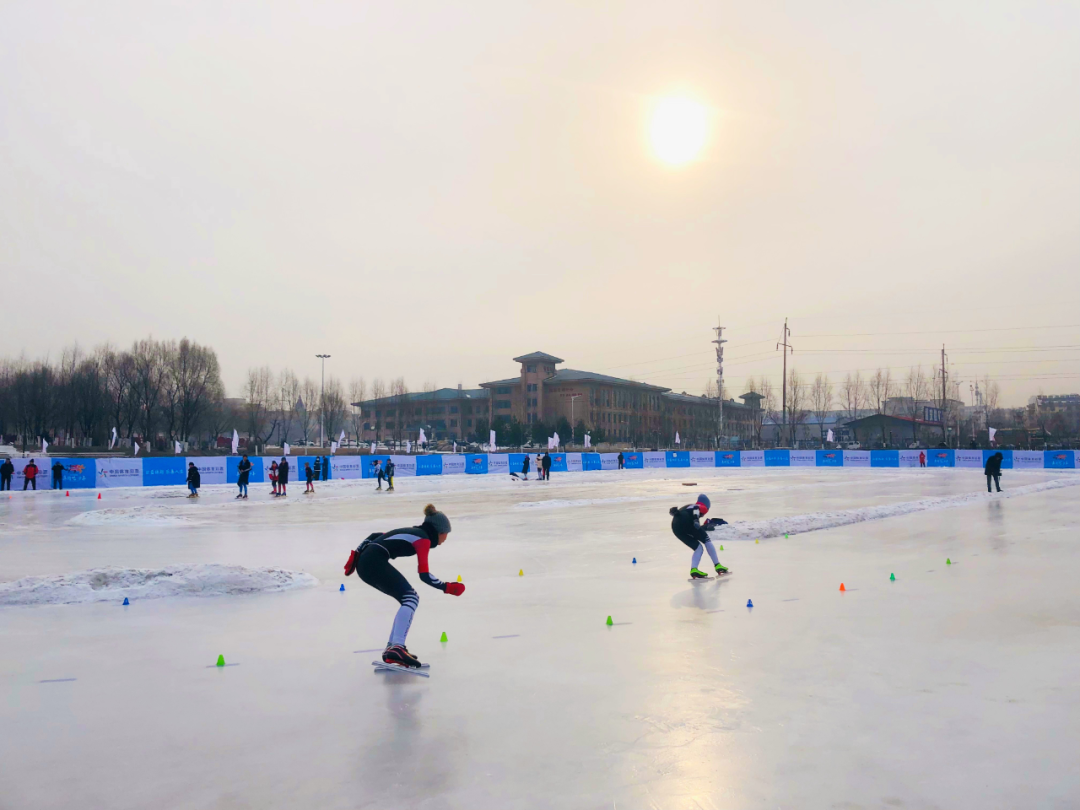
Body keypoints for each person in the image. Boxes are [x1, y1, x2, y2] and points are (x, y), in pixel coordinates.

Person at [343, 503, 464, 669]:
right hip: (372, 562)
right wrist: (447, 587)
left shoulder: (414, 532)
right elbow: (424, 575)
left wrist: (356, 555)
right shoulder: (423, 539)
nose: (446, 539)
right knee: (411, 598)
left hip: (367, 562)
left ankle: (392, 648)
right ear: (439, 531)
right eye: (446, 534)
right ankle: (397, 647)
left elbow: (376, 535)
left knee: (408, 598)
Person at [670, 494, 729, 579]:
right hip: (689, 522)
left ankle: (694, 569)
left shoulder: (687, 507)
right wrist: (696, 520)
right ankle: (717, 565)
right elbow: (696, 510)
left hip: (676, 528)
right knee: (707, 540)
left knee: (698, 548)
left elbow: (677, 514)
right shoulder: (700, 506)